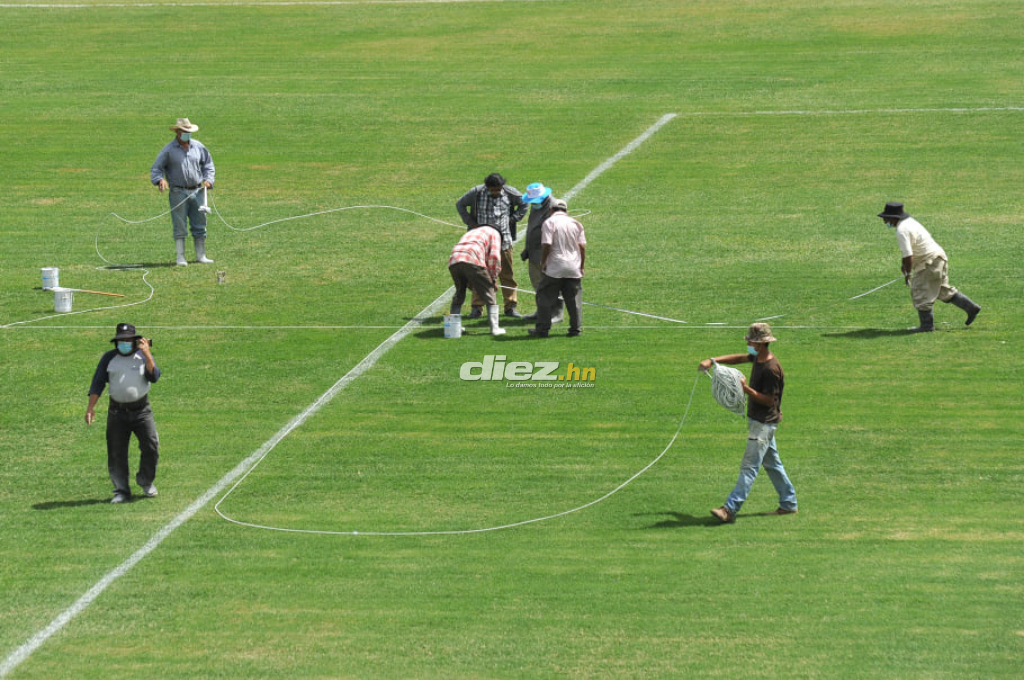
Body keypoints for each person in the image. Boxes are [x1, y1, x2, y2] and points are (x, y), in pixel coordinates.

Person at [698, 323, 797, 523]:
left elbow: (770, 400)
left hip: (763, 424)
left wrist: (745, 389)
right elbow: (740, 358)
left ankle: (729, 509)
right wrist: (712, 361)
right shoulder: (758, 358)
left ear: (761, 344)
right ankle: (789, 504)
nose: (748, 344)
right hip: (760, 422)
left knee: (749, 467)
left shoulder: (770, 369)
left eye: (751, 341)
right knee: (773, 464)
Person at [86, 323, 162, 504]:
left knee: (151, 446)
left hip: (142, 411)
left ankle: (145, 481)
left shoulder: (142, 357)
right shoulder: (108, 358)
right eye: (121, 340)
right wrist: (90, 408)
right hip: (116, 412)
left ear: (135, 340)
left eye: (128, 340)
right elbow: (98, 383)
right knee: (116, 452)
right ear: (116, 341)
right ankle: (121, 491)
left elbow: (155, 376)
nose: (125, 343)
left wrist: (148, 354)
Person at [877, 202, 981, 332]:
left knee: (920, 291)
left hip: (929, 262)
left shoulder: (901, 230)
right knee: (942, 290)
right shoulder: (910, 222)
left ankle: (927, 326)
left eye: (886, 218)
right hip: (939, 258)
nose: (884, 221)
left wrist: (907, 272)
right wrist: (905, 266)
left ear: (893, 217)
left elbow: (908, 255)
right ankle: (971, 307)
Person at [455, 173, 528, 319]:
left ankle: (510, 307)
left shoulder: (510, 192)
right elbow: (460, 204)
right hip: (481, 244)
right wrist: (471, 223)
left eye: (498, 189)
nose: (495, 192)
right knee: (479, 275)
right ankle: (477, 308)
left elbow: (524, 203)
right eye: (492, 190)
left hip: (504, 242)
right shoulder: (476, 193)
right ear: (487, 187)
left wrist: (513, 219)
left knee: (507, 275)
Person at [151, 117, 216, 266]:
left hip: (198, 190)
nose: (187, 134)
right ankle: (180, 257)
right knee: (179, 224)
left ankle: (201, 255)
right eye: (184, 131)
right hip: (178, 192)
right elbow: (156, 168)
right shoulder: (168, 150)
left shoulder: (198, 147)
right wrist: (159, 180)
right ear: (178, 132)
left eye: (189, 131)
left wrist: (208, 180)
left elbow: (208, 164)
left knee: (200, 223)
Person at [529, 199, 586, 337]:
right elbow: (582, 247)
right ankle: (575, 329)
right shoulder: (576, 223)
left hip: (554, 267)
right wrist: (581, 266)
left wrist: (543, 262)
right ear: (566, 210)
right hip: (573, 267)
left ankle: (542, 329)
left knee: (544, 297)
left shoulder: (549, 223)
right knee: (574, 300)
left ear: (551, 210)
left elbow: (547, 245)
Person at [448, 224, 506, 336]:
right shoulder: (495, 234)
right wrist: (493, 279)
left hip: (454, 260)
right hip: (472, 259)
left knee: (459, 293)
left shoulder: (472, 232)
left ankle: (454, 327)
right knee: (489, 294)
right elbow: (494, 257)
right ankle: (495, 328)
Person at [519, 182, 563, 324]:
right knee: (538, 284)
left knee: (552, 284)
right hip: (534, 253)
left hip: (548, 254)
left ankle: (557, 313)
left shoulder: (554, 208)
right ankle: (542, 310)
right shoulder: (536, 205)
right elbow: (532, 227)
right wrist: (527, 248)